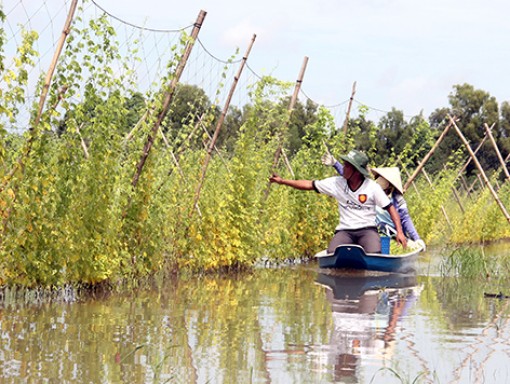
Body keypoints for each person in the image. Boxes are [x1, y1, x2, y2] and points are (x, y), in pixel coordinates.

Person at [269, 149, 407, 254]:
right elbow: (309, 184)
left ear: (357, 171)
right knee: (332, 255)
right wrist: (282, 181)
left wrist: (399, 232)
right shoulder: (337, 183)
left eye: (347, 166)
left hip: (367, 230)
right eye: (345, 164)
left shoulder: (372, 187)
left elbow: (390, 208)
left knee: (374, 256)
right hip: (345, 231)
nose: (344, 168)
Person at [322, 152, 426, 250]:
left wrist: (416, 238)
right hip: (371, 232)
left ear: (389, 183)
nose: (379, 179)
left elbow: (405, 219)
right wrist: (335, 163)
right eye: (379, 177)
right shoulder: (371, 190)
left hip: (391, 235)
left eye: (382, 178)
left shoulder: (397, 199)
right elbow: (350, 177)